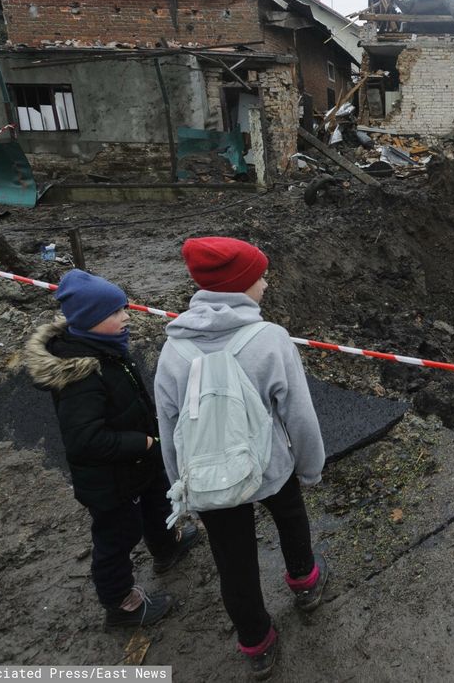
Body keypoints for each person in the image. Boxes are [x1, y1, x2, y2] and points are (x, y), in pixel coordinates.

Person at [154, 237, 327, 680]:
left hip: (211, 482)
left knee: (233, 561)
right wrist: (310, 467)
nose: (266, 284)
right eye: (259, 276)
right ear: (238, 286)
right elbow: (299, 415)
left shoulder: (173, 349)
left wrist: (183, 490)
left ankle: (256, 642)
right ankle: (305, 582)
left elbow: (170, 429)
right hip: (269, 468)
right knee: (290, 520)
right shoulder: (270, 340)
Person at [22, 269, 199, 629]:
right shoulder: (81, 376)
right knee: (116, 539)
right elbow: (84, 440)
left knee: (157, 501)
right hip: (111, 481)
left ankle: (166, 547)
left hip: (138, 464)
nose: (126, 317)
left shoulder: (108, 350)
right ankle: (122, 604)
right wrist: (144, 441)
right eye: (115, 313)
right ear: (90, 322)